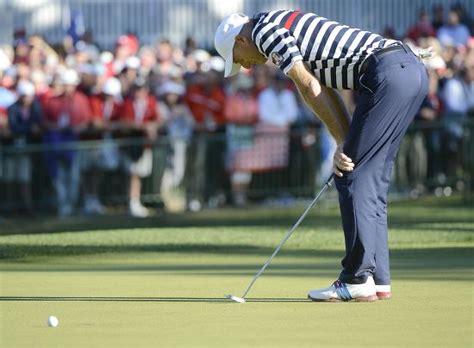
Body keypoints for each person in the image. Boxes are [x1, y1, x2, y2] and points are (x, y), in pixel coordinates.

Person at [214, 10, 429, 301]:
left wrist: (343, 142)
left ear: (241, 39)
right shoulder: (274, 23)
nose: (245, 66)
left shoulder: (264, 33)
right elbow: (322, 86)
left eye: (237, 57)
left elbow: (308, 84)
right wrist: (344, 139)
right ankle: (378, 280)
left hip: (387, 72)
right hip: (409, 71)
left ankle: (356, 278)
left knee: (349, 172)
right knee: (372, 179)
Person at [6, 80, 42, 213]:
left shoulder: (36, 108)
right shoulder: (13, 108)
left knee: (25, 180)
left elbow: (38, 126)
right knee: (9, 180)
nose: (27, 99)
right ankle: (9, 208)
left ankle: (28, 208)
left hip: (28, 150)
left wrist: (27, 129)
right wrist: (29, 129)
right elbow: (14, 128)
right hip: (12, 150)